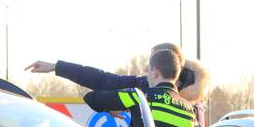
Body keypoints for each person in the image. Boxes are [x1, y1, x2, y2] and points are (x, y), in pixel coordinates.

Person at [25, 42, 183, 92]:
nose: (145, 69)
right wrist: (56, 67)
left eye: (150, 65)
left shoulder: (192, 108)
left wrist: (109, 103)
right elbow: (103, 80)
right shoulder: (143, 85)